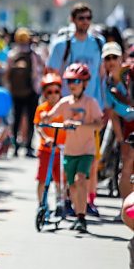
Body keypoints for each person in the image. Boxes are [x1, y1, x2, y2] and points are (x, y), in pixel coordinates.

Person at [42, 63, 103, 233]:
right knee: (73, 187)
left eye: (77, 81)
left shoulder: (91, 102)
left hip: (86, 150)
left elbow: (99, 124)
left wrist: (80, 125)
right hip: (70, 151)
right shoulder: (65, 102)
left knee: (80, 179)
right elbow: (50, 114)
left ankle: (82, 218)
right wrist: (45, 117)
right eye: (70, 81)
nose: (73, 85)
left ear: (84, 83)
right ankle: (78, 215)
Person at [103, 42, 134, 212]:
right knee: (127, 166)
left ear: (121, 57)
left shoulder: (131, 74)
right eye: (107, 58)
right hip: (127, 125)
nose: (111, 61)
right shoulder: (107, 86)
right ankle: (127, 210)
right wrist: (120, 139)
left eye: (114, 57)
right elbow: (113, 115)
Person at [7, 27, 44, 158]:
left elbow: (7, 73)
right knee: (30, 119)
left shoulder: (12, 53)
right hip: (32, 91)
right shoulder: (34, 54)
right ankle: (28, 146)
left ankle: (15, 147)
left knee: (16, 119)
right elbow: (40, 70)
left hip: (16, 91)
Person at [33, 73, 66, 204]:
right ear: (45, 94)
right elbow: (38, 126)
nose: (53, 94)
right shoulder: (42, 109)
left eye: (56, 91)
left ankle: (60, 202)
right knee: (42, 179)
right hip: (46, 149)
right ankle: (41, 204)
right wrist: (46, 138)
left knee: (61, 180)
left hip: (61, 150)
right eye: (50, 91)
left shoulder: (64, 107)